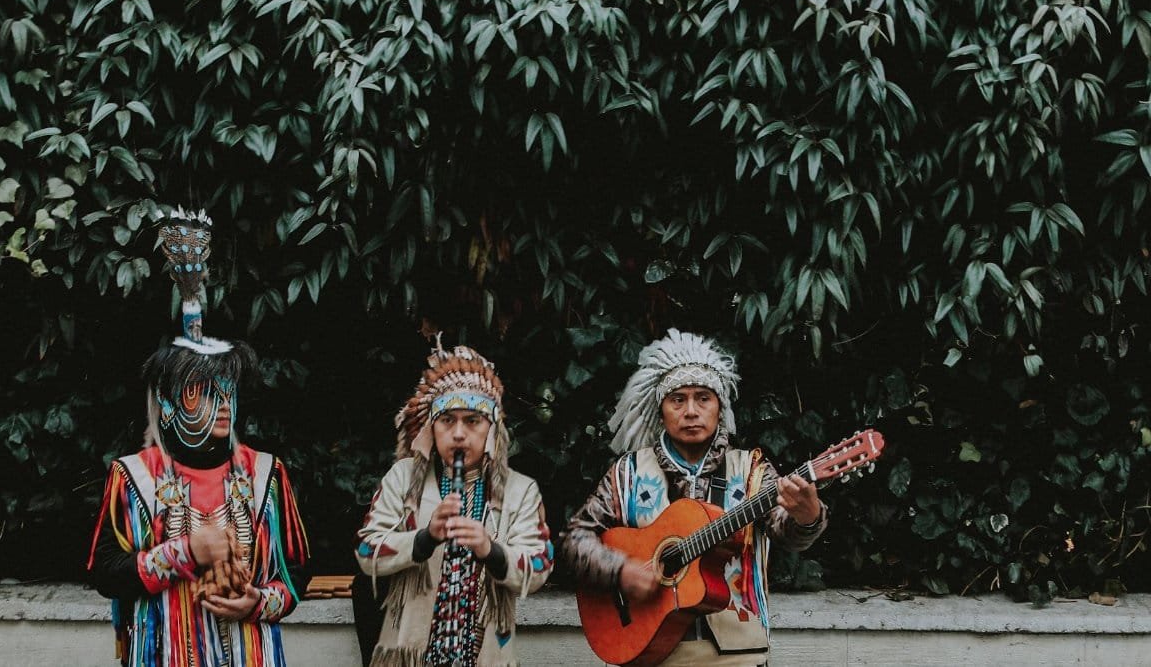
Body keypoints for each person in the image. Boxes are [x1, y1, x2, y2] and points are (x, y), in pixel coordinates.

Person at [87, 208, 309, 666]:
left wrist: (258, 602)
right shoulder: (133, 477)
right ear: (167, 404)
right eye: (202, 392)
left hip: (252, 653)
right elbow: (106, 572)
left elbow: (297, 572)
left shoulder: (266, 473)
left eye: (226, 390)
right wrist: (184, 551)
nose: (222, 403)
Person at [562, 329, 827, 665]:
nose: (691, 411)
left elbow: (786, 530)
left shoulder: (751, 471)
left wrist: (808, 516)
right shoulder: (626, 474)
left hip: (738, 655)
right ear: (661, 412)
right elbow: (574, 542)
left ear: (720, 408)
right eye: (678, 399)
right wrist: (620, 571)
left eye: (703, 398)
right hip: (647, 649)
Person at [356, 340, 554, 666]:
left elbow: (540, 566)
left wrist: (490, 549)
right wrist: (424, 538)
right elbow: (366, 551)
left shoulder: (521, 491)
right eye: (447, 420)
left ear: (492, 430)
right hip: (410, 654)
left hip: (485, 654)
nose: (459, 434)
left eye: (472, 421)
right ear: (431, 428)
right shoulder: (403, 480)